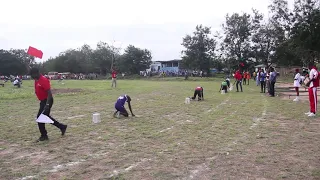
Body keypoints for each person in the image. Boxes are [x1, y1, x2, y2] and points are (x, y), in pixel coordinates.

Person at [30, 67, 67, 142]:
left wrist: (47, 105)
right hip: (43, 101)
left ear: (37, 73)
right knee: (44, 117)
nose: (32, 76)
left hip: (47, 101)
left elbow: (49, 94)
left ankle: (44, 136)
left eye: (32, 74)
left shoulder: (43, 80)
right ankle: (62, 127)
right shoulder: (36, 79)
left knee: (40, 118)